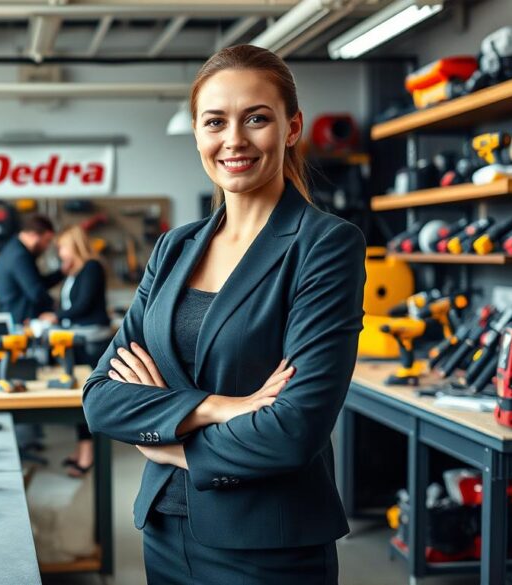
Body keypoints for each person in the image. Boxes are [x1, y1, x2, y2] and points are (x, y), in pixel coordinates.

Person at [82, 44, 366, 585]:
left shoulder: (324, 245)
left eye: (256, 118)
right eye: (215, 122)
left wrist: (167, 443)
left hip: (267, 546)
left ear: (291, 127)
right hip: (165, 532)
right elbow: (101, 400)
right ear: (197, 133)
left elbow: (293, 430)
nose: (233, 139)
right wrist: (218, 406)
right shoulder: (174, 248)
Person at [40, 225, 111, 477]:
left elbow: (82, 306)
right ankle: (81, 448)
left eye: (62, 247)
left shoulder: (92, 267)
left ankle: (88, 453)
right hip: (78, 337)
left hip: (91, 340)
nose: (59, 252)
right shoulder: (75, 271)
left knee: (85, 397)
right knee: (77, 397)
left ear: (73, 245)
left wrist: (55, 317)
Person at [0, 214, 63, 325]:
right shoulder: (19, 256)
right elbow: (36, 291)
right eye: (47, 240)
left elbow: (37, 282)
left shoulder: (14, 249)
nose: (47, 246)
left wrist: (62, 272)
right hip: (21, 320)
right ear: (34, 235)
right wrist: (57, 306)